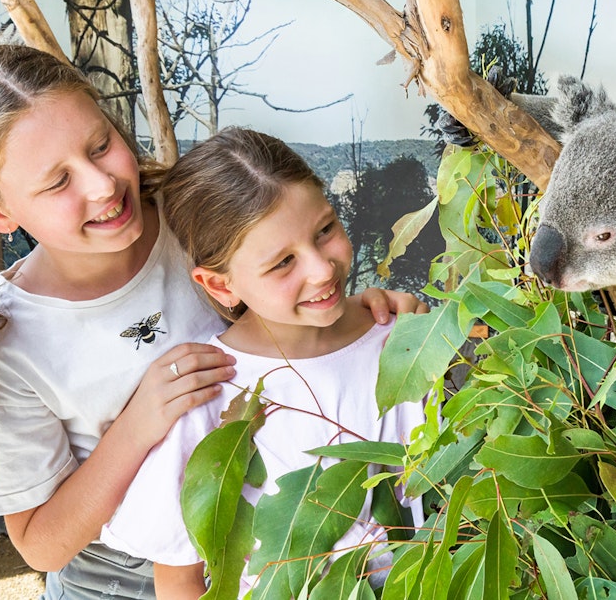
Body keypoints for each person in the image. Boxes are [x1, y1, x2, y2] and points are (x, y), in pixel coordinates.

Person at [0, 42, 425, 600]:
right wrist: (140, 425)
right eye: (58, 182)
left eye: (101, 145)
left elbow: (292, 301)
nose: (102, 184)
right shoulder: (3, 347)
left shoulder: (194, 222)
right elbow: (41, 545)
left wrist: (364, 318)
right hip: (117, 581)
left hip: (270, 554)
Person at [99, 127, 426, 598]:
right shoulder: (208, 395)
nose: (321, 268)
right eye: (282, 263)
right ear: (220, 286)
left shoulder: (402, 341)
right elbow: (179, 576)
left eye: (326, 230)